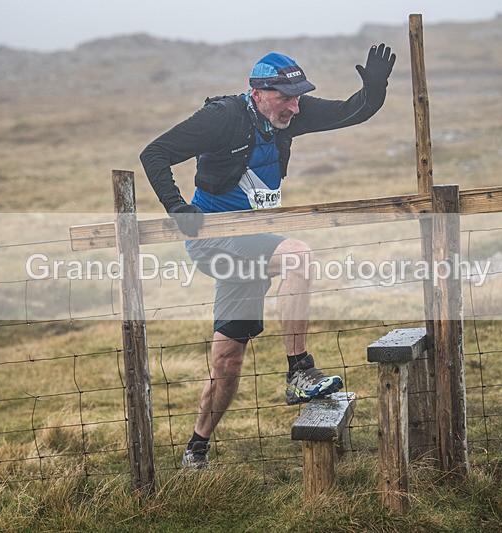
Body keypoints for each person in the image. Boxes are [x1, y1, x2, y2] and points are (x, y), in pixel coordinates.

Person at [140, 44, 396, 468]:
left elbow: (355, 111)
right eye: (285, 97)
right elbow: (154, 153)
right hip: (215, 240)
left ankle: (195, 448)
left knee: (227, 359)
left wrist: (375, 88)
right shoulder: (223, 118)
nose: (294, 107)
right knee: (297, 255)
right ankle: (299, 371)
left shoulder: (291, 114)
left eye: (298, 97)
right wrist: (177, 207)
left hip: (252, 245)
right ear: (257, 92)